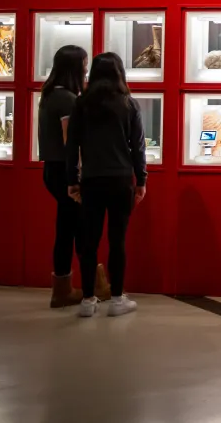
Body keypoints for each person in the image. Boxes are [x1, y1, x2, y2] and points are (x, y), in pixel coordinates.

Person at [65, 53, 147, 318]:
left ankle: (88, 299)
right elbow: (138, 147)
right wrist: (141, 179)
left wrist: (71, 180)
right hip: (121, 180)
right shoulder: (129, 104)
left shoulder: (82, 104)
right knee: (117, 240)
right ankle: (116, 299)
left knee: (89, 241)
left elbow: (72, 146)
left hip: (92, 180)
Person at [39, 45, 100, 308]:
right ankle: (89, 286)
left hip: (53, 169)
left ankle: (67, 286)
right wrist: (78, 176)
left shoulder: (51, 94)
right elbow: (70, 140)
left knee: (68, 227)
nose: (86, 69)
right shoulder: (67, 99)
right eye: (84, 64)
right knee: (77, 229)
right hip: (65, 171)